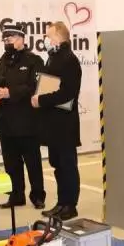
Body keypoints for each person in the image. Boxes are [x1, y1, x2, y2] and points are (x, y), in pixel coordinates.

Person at [0, 24, 46, 209]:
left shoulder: (34, 60)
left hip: (27, 121)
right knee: (11, 163)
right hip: (6, 121)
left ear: (21, 39)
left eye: (10, 38)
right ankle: (16, 195)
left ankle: (38, 196)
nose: (7, 42)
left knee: (33, 162)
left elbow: (35, 87)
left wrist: (10, 92)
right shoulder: (3, 61)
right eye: (5, 39)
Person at [31, 21, 82, 221]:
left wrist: (42, 99)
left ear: (59, 38)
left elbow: (68, 93)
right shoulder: (53, 58)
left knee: (67, 165)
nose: (46, 39)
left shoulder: (69, 60)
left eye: (49, 36)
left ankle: (70, 205)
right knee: (58, 164)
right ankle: (61, 203)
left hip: (65, 123)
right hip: (52, 122)